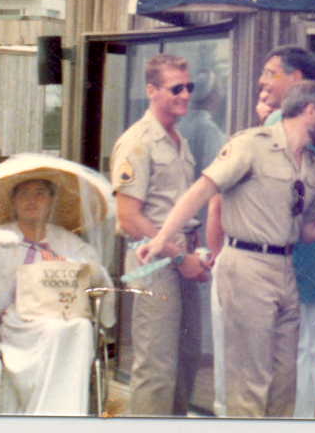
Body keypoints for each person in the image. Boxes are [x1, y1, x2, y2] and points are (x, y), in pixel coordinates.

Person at [137, 80, 315, 417]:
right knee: (250, 380)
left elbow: (308, 230)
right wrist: (163, 237)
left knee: (285, 381)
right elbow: (203, 190)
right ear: (309, 111)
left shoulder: (312, 167)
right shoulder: (251, 145)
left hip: (285, 270)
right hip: (247, 265)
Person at [0, 174, 116, 414]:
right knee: (55, 330)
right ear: (13, 201)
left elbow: (98, 278)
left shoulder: (67, 241)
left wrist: (70, 264)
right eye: (23, 194)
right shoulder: (1, 236)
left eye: (40, 193)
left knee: (81, 327)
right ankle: (45, 413)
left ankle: (68, 414)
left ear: (51, 201)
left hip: (64, 312)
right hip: (19, 319)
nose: (31, 200)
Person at [109, 53, 209, 416]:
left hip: (180, 257)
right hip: (152, 261)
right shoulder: (138, 142)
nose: (185, 95)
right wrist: (179, 257)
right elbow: (129, 217)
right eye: (176, 88)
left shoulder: (178, 140)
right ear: (151, 90)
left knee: (187, 357)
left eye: (189, 87)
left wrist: (190, 254)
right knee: (156, 366)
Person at [257, 45, 315, 417]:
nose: (263, 81)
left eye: (270, 73)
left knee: (283, 354)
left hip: (283, 258)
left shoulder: (278, 124)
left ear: (296, 79)